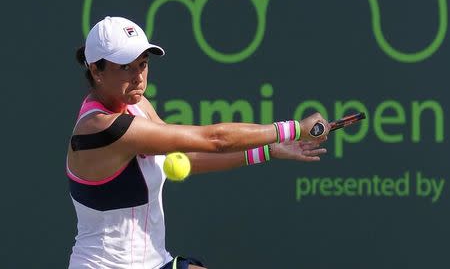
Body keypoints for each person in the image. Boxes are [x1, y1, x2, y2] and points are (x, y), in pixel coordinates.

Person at [67, 16, 330, 269]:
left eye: (143, 64)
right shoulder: (102, 128)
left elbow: (185, 156)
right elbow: (215, 140)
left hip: (156, 262)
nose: (138, 77)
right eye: (125, 66)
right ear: (96, 71)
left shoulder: (137, 106)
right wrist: (293, 129)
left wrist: (268, 150)